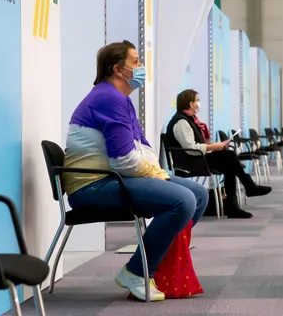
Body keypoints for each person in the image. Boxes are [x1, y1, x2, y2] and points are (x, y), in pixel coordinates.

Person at [62, 40, 209, 302]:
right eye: (136, 62)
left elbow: (142, 148)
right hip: (92, 186)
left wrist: (157, 171)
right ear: (119, 70)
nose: (141, 67)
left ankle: (158, 262)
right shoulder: (108, 98)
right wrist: (156, 174)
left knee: (198, 194)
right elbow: (123, 161)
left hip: (114, 178)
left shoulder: (120, 99)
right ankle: (138, 271)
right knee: (182, 200)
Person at [166, 89, 272, 219]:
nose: (199, 103)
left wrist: (217, 147)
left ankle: (235, 203)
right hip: (189, 162)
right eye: (197, 100)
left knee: (229, 160)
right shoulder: (181, 122)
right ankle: (247, 190)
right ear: (190, 103)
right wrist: (213, 147)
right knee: (230, 157)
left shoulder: (190, 120)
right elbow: (190, 148)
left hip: (197, 158)